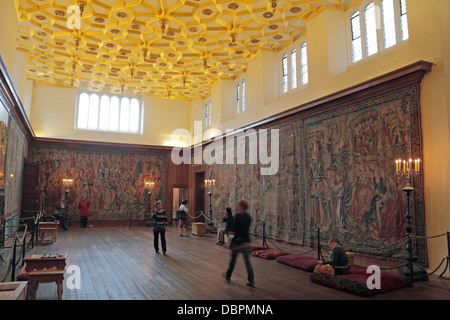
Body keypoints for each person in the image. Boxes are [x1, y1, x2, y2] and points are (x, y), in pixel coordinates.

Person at [223, 199, 255, 288]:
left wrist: (230, 239)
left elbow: (234, 229)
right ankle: (251, 280)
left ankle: (228, 275)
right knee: (247, 262)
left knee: (233, 260)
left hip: (237, 242)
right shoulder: (248, 217)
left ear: (241, 206)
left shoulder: (237, 216)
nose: (237, 206)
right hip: (246, 241)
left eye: (238, 205)